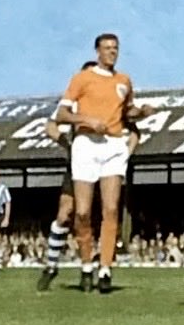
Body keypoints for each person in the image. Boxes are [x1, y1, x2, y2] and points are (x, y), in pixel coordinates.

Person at [55, 35, 153, 294]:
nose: (112, 53)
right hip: (86, 143)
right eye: (107, 48)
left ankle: (106, 269)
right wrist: (86, 119)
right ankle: (87, 264)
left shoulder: (124, 81)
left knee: (111, 209)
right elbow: (61, 114)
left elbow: (127, 111)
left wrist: (141, 112)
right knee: (83, 212)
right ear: (97, 51)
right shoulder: (82, 78)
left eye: (115, 49)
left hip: (113, 145)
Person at [37, 61, 144, 291]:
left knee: (108, 210)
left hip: (106, 158)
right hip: (80, 159)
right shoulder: (74, 102)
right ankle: (51, 265)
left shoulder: (113, 102)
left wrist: (125, 153)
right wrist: (67, 144)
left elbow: (133, 130)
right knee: (67, 213)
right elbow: (51, 125)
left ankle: (98, 267)